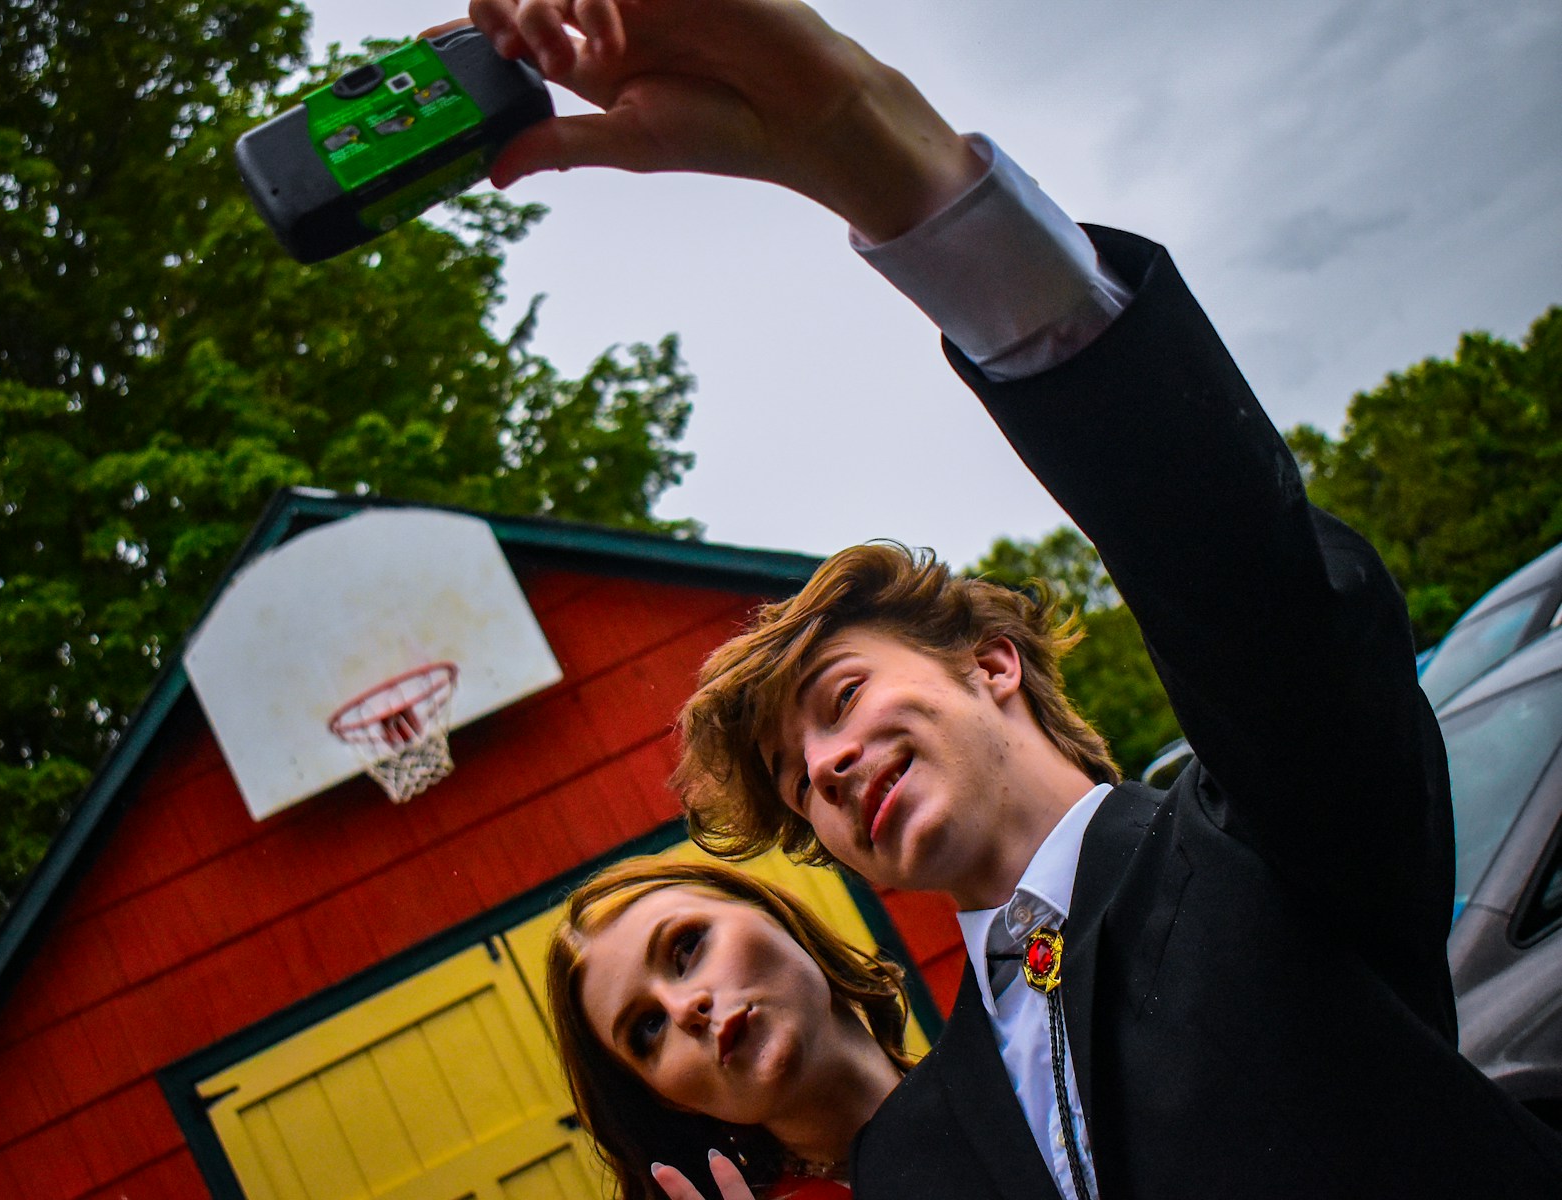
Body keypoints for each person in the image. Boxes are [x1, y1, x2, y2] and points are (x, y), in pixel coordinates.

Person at [447, 0, 1562, 1195]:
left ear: (991, 662)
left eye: (838, 696)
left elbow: (1239, 570)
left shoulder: (1259, 842)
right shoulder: (923, 1150)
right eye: (791, 784)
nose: (821, 767)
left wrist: (880, 162)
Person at [545, 858, 909, 1200]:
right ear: (667, 1099)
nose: (683, 1008)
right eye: (650, 1027)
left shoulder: (967, 1047)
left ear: (772, 914)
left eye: (687, 947)